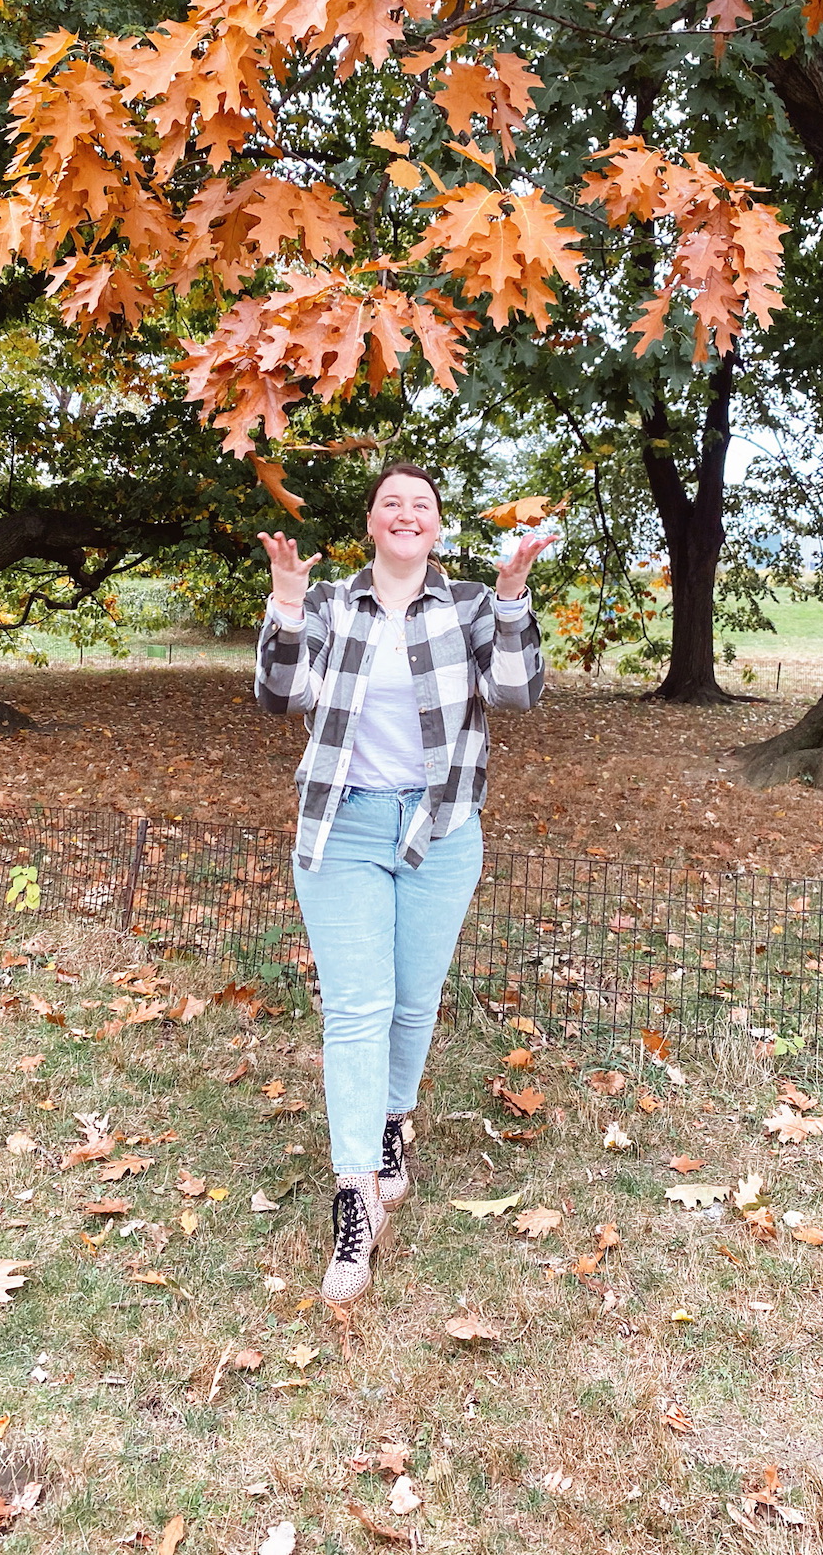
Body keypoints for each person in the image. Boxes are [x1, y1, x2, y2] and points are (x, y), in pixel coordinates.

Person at [255, 463, 552, 1303]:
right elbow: (281, 696)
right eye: (392, 502)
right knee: (357, 1007)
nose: (406, 513)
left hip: (440, 829)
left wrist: (510, 594)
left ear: (437, 526)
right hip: (342, 826)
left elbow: (518, 692)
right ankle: (355, 1192)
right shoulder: (324, 605)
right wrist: (282, 600)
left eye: (421, 504)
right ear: (372, 522)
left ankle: (391, 1125)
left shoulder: (464, 606)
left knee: (414, 1001)